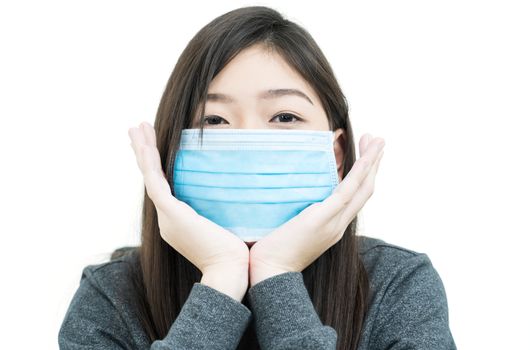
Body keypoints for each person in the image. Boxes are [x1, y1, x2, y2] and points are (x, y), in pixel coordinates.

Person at [58, 5, 457, 350]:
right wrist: (221, 274)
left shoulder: (397, 286)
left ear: (335, 154)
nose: (250, 141)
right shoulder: (110, 296)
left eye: (285, 117)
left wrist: (277, 274)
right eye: (213, 120)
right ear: (169, 155)